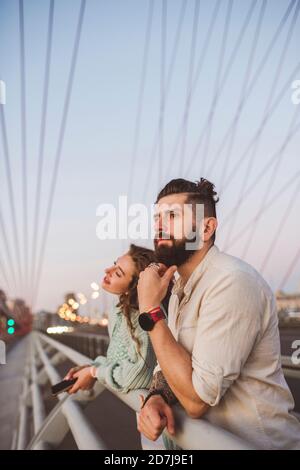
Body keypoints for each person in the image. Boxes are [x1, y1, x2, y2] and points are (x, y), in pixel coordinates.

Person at [137, 177, 300, 450]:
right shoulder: (179, 288)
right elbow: (170, 362)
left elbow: (197, 400)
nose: (159, 226)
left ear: (206, 228)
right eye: (157, 218)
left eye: (172, 216)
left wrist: (151, 312)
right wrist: (157, 396)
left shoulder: (232, 282)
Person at [65, 244, 158, 394]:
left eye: (118, 273)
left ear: (133, 288)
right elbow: (119, 358)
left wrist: (93, 372)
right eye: (115, 265)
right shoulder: (117, 310)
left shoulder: (144, 319)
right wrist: (91, 367)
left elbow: (136, 377)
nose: (107, 271)